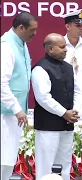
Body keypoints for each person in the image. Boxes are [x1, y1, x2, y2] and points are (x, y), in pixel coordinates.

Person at [32, 33, 80, 180]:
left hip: (66, 125)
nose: (65, 49)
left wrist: (73, 112)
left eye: (65, 46)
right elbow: (43, 98)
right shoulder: (40, 68)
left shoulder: (68, 67)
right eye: (62, 47)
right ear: (50, 49)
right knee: (47, 166)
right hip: (48, 126)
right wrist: (64, 112)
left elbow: (76, 91)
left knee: (64, 164)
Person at [1, 11, 38, 180]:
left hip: (13, 114)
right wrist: (17, 109)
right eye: (32, 30)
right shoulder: (6, 46)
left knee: (8, 159)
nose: (35, 34)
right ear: (21, 28)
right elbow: (1, 84)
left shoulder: (21, 43)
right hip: (5, 113)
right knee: (3, 158)